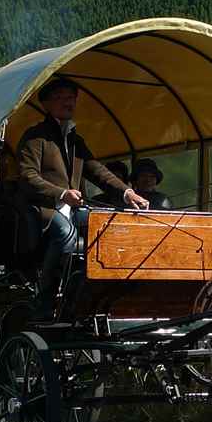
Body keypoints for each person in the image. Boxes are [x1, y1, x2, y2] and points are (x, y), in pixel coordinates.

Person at [17, 77, 149, 318]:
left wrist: (127, 192)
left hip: (75, 209)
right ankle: (45, 298)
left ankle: (98, 295)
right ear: (46, 104)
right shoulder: (35, 137)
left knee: (113, 228)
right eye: (60, 98)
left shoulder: (75, 140)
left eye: (71, 98)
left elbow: (97, 171)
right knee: (65, 235)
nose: (67, 102)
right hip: (44, 209)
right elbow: (27, 176)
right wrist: (61, 194)